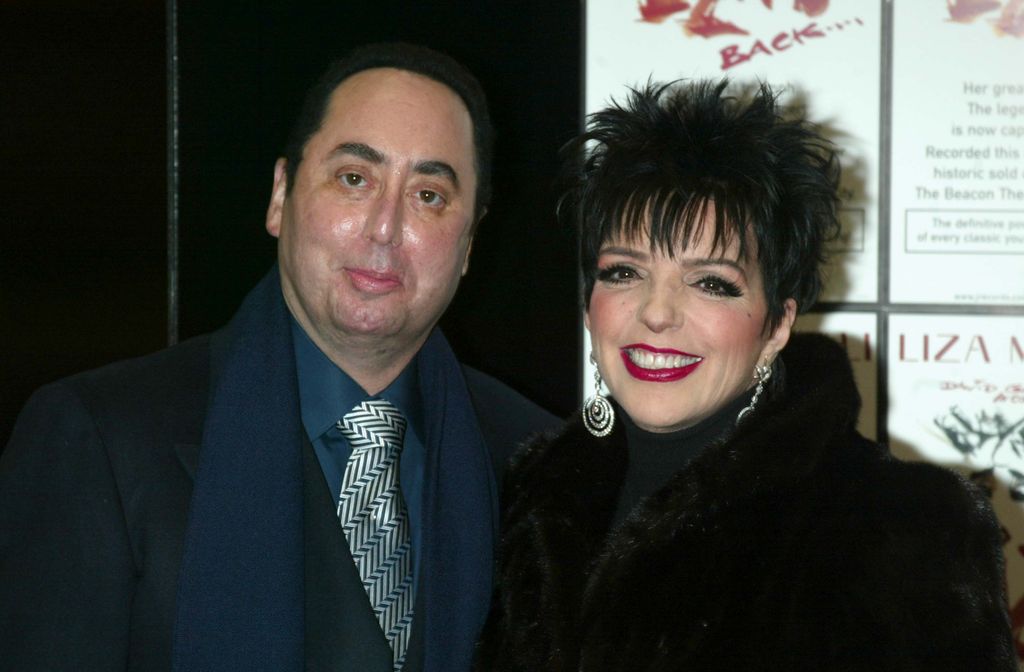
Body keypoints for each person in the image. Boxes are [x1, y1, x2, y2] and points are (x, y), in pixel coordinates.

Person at [0, 43, 556, 672]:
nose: (384, 227)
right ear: (279, 195)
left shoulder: (539, 464)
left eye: (428, 195)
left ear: (468, 245)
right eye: (354, 179)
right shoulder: (101, 441)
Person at [475, 80, 1015, 670]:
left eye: (712, 282)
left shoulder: (900, 525)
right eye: (624, 272)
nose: (656, 313)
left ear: (778, 324)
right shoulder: (527, 495)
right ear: (588, 299)